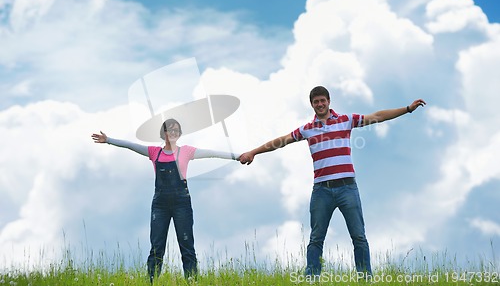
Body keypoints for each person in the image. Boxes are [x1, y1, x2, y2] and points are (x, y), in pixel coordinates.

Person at [239, 86, 426, 277]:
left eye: (322, 101)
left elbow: (378, 116)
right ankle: (312, 278)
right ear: (312, 105)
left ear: (329, 101)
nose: (320, 104)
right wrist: (253, 152)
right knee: (316, 239)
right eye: (316, 102)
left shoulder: (346, 121)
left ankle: (365, 278)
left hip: (347, 188)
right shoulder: (306, 130)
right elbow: (281, 141)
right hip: (322, 191)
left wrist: (408, 109)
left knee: (359, 237)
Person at [92, 118, 239, 282]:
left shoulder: (186, 152)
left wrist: (238, 156)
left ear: (180, 133)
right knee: (156, 248)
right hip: (160, 205)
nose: (173, 132)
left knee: (187, 247)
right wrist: (109, 140)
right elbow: (130, 145)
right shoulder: (155, 152)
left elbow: (213, 153)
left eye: (176, 130)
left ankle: (192, 281)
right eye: (170, 129)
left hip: (181, 204)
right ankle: (151, 282)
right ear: (164, 133)